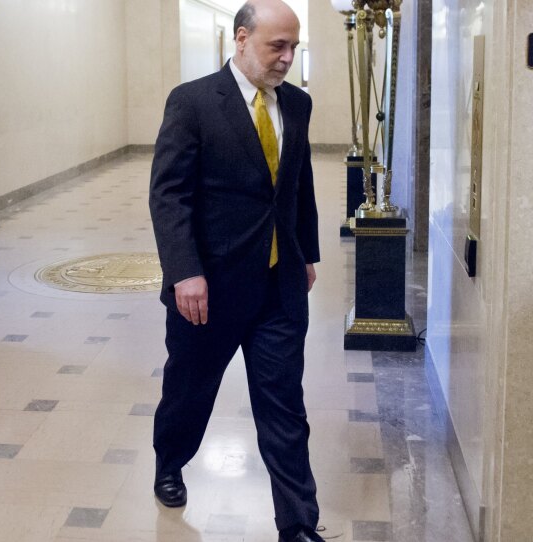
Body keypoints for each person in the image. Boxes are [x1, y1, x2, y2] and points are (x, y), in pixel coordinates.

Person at [148, 1, 323, 541]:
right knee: (189, 390)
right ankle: (169, 461)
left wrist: (307, 252)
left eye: (294, 47)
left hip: (278, 284)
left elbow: (299, 183)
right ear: (241, 38)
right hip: (209, 288)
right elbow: (168, 195)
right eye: (278, 46)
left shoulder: (296, 104)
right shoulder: (194, 102)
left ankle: (297, 526)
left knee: (284, 406)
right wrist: (185, 272)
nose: (288, 58)